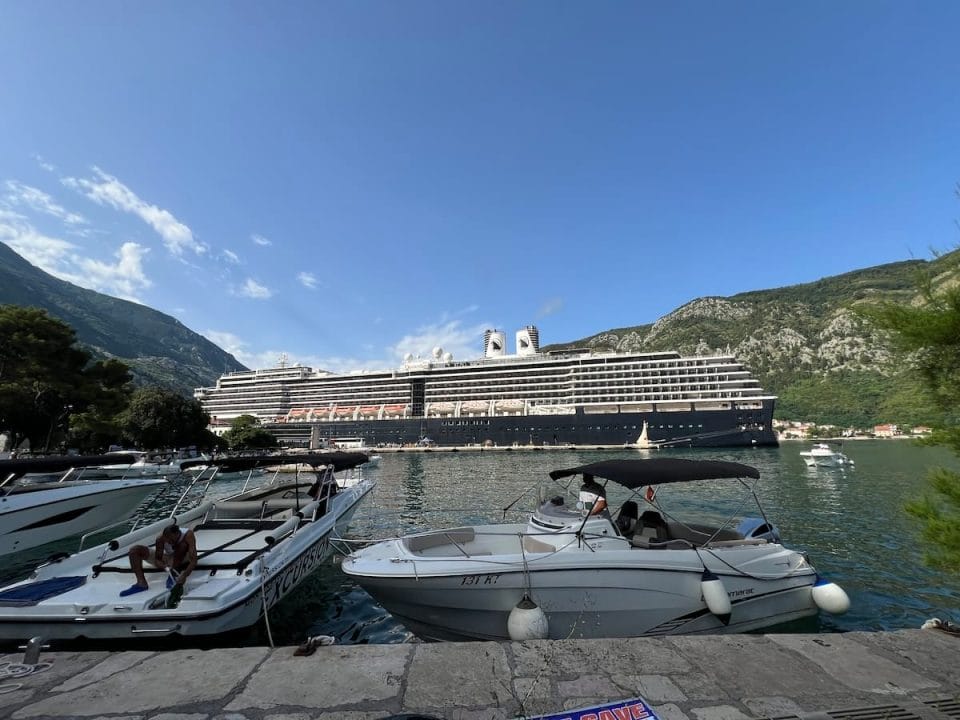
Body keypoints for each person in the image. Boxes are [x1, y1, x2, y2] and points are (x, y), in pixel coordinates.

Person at [120, 524, 198, 598]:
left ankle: (174, 574)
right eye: (167, 541)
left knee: (182, 546)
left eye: (171, 540)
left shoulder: (188, 535)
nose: (169, 543)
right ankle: (141, 583)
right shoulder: (160, 539)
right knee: (134, 550)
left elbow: (194, 560)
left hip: (184, 557)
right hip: (169, 559)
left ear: (178, 534)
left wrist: (185, 574)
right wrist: (164, 567)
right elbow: (158, 560)